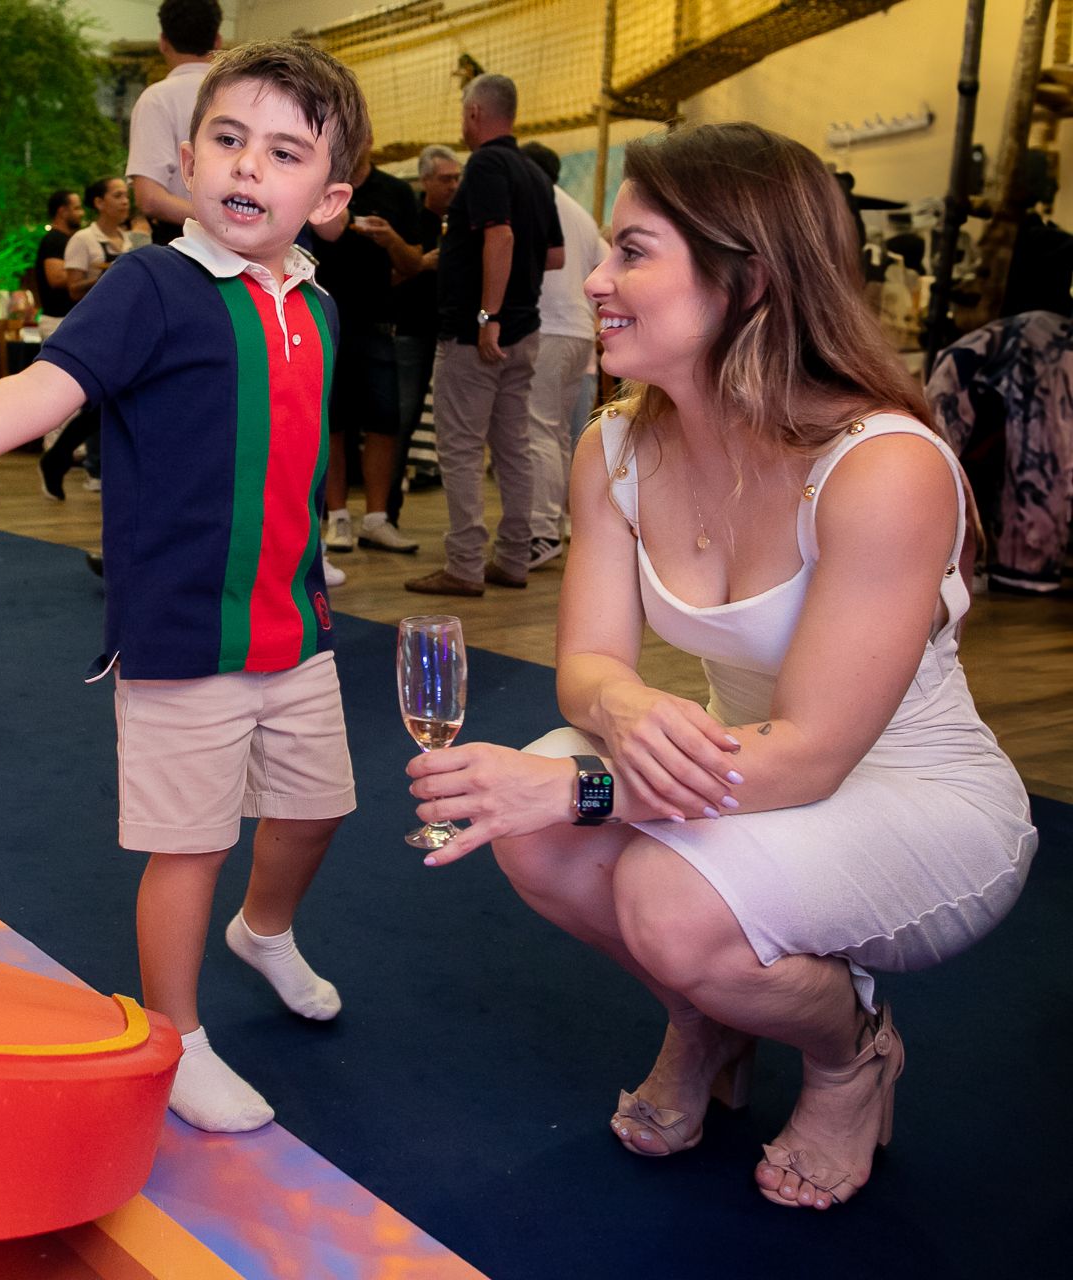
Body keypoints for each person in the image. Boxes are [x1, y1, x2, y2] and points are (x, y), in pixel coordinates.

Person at [403, 123, 1037, 1211]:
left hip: (915, 800)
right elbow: (589, 667)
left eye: (634, 252)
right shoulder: (616, 445)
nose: (596, 278)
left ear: (746, 280)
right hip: (745, 768)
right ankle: (710, 1022)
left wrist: (581, 783)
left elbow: (812, 755)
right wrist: (630, 700)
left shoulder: (881, 464)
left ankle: (852, 1054)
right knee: (546, 844)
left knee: (648, 881)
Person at [0, 41, 371, 1135]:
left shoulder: (318, 307)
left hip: (295, 628)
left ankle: (268, 929)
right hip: (181, 638)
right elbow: (47, 384)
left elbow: (294, 459)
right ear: (189, 157)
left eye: (284, 152)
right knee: (190, 843)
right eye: (228, 138)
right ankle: (179, 1034)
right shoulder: (155, 283)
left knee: (317, 809)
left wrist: (316, 571)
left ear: (330, 196)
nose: (249, 165)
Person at [405, 74, 563, 598]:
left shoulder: (489, 165)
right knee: (512, 449)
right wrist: (513, 299)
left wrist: (487, 314)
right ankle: (513, 558)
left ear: (475, 113)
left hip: (481, 337)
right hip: (525, 330)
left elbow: (501, 234)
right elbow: (554, 255)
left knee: (462, 449)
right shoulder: (537, 174)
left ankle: (466, 564)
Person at [310, 153, 423, 560]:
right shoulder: (316, 180)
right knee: (330, 422)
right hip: (321, 319)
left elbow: (413, 263)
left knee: (384, 422)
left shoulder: (396, 192)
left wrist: (389, 237)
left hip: (378, 323)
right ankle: (336, 515)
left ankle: (377, 518)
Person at [520, 141, 608, 570]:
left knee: (538, 430)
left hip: (549, 327)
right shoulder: (581, 213)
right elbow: (606, 266)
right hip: (578, 332)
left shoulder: (534, 201)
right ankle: (553, 523)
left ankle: (540, 532)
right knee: (555, 435)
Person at [37, 176, 135, 500]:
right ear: (99, 202)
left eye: (126, 196)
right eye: (117, 195)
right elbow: (72, 287)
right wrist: (107, 275)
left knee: (108, 401)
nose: (125, 201)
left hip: (126, 327)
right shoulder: (82, 239)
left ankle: (64, 458)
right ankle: (69, 458)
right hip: (93, 326)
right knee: (99, 399)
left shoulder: (130, 239)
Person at [391, 145, 463, 511]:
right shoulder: (411, 222)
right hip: (413, 332)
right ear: (425, 181)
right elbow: (385, 278)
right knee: (403, 416)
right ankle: (388, 504)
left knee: (456, 425)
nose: (453, 185)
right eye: (445, 179)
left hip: (454, 336)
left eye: (456, 178)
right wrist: (421, 263)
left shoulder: (467, 223)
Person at [125, 0, 223, 246]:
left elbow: (149, 198)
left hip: (180, 240)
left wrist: (216, 219)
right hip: (248, 240)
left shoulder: (157, 99)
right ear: (218, 42)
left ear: (163, 42)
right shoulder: (241, 93)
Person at [35, 189, 84, 338]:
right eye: (77, 208)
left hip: (65, 320)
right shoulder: (54, 241)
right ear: (62, 212)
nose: (82, 213)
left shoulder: (67, 240)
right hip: (57, 322)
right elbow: (55, 278)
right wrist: (89, 275)